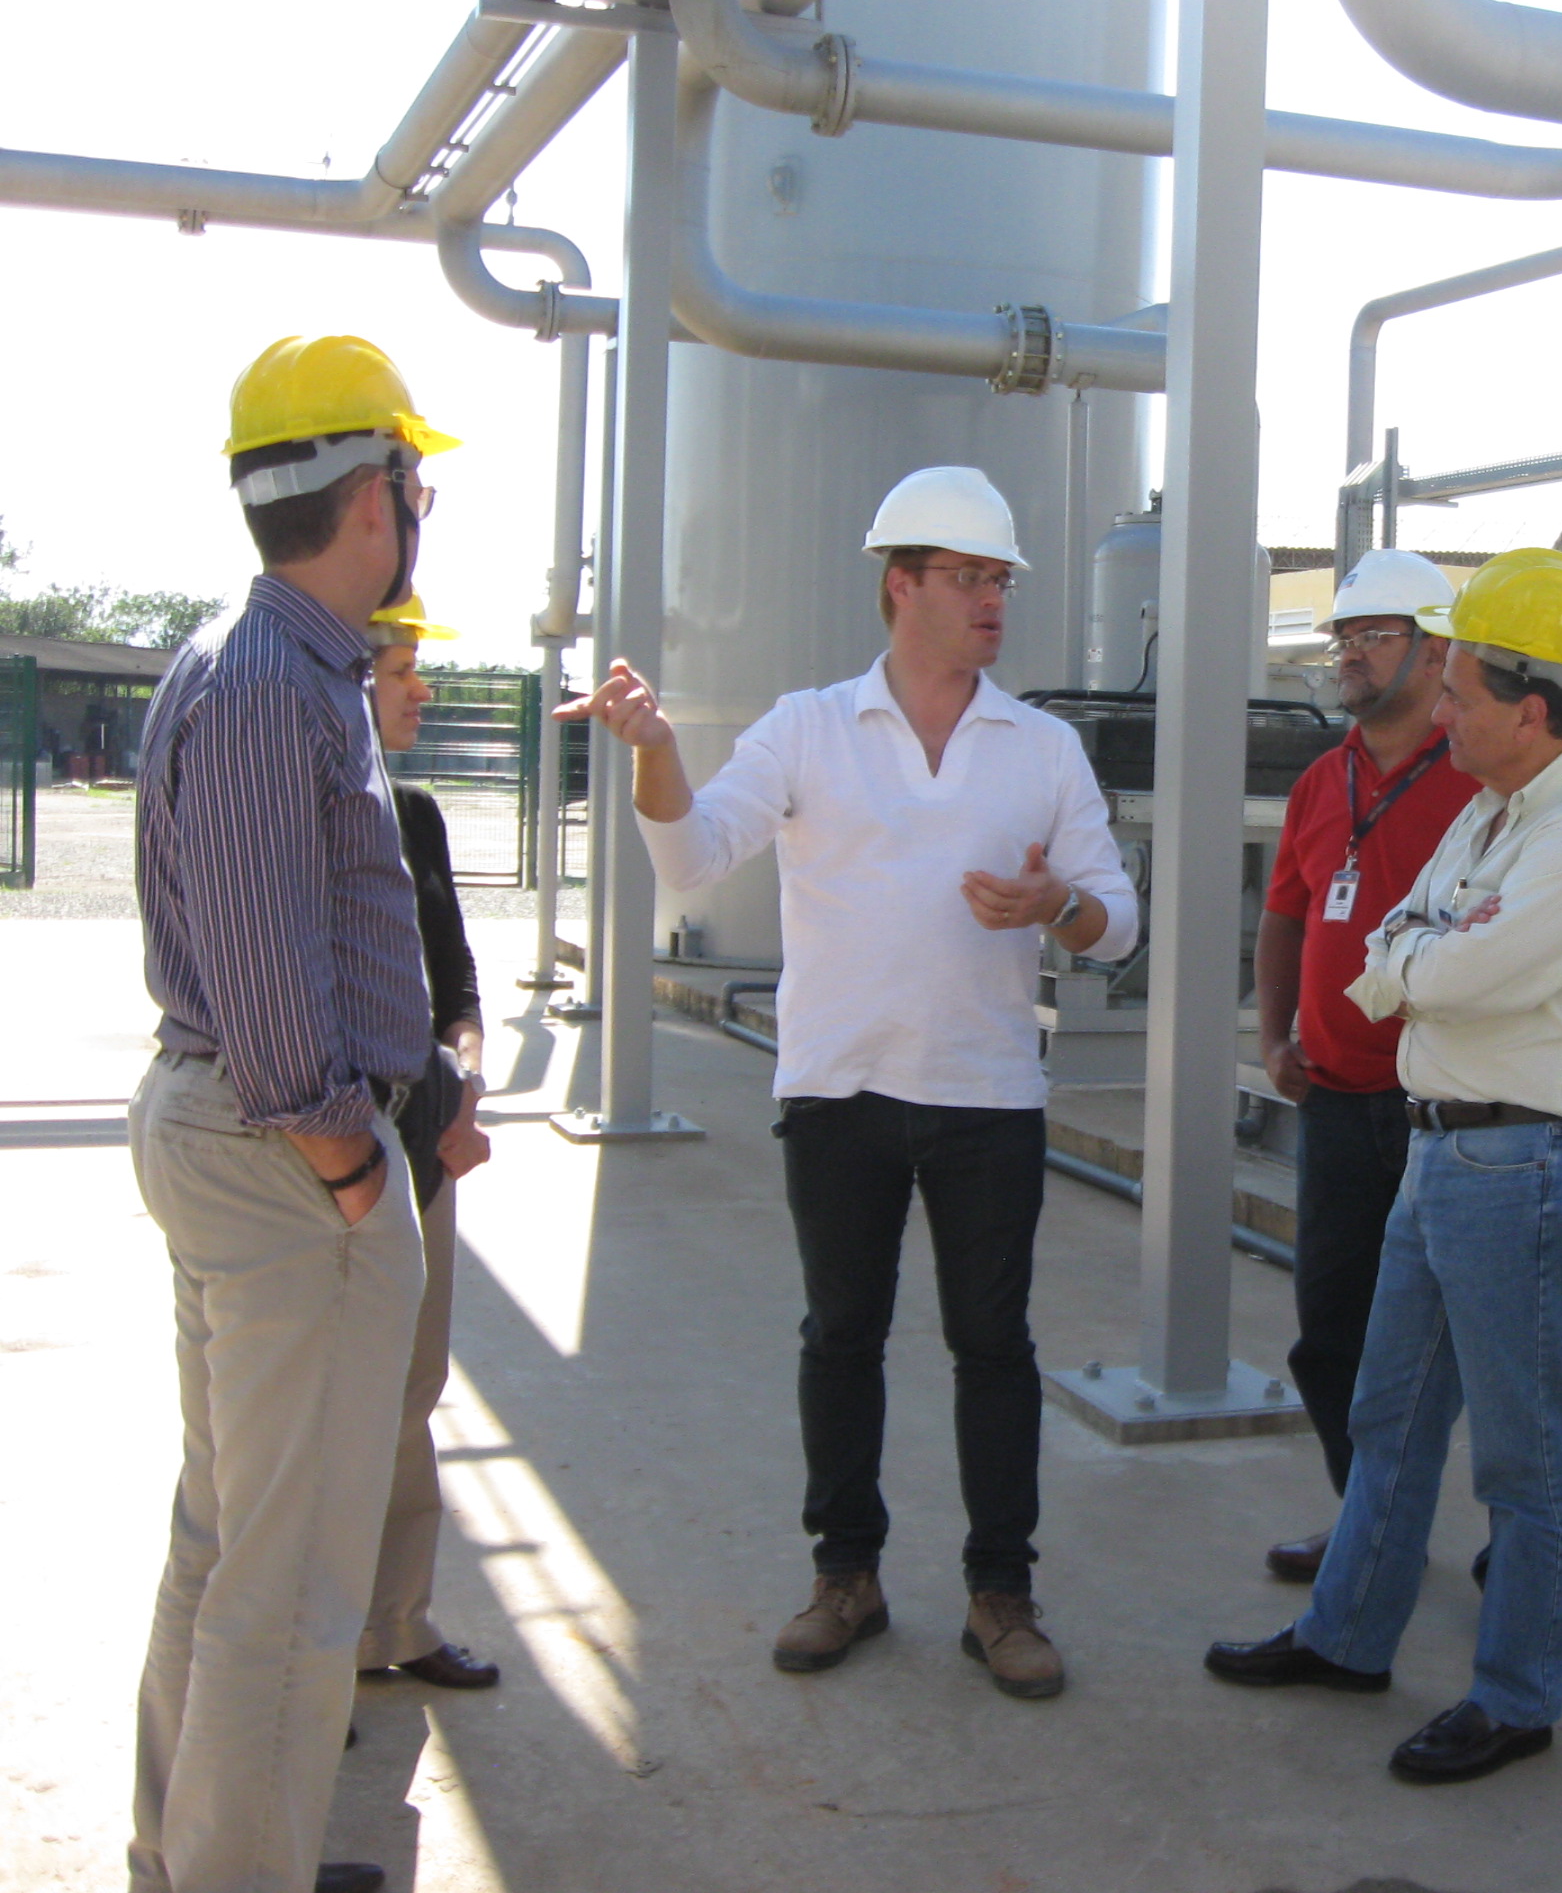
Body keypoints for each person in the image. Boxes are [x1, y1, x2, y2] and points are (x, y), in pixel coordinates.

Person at [557, 465, 1137, 1703]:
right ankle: (847, 1577)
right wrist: (658, 751)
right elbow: (698, 847)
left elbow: (1120, 923)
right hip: (839, 1093)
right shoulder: (808, 727)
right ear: (901, 586)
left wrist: (1061, 907)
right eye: (971, 578)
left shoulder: (1042, 749)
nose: (994, 600)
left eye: (1002, 580)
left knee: (994, 1348)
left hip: (987, 1097)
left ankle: (1001, 1594)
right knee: (841, 1338)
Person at [1206, 548, 1562, 1785]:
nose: (1441, 713)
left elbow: (1442, 972)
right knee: (1388, 1416)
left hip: (1524, 1159)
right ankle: (1349, 1635)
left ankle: (1516, 1696)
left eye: (1459, 692)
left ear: (1529, 706)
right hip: (1445, 1145)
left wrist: (1419, 959)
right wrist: (1423, 952)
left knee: (1523, 1453)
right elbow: (1417, 936)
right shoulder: (1488, 810)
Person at [127, 335, 452, 1893]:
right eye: (415, 476)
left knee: (225, 1545)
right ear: (371, 493)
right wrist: (347, 1170)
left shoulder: (254, 663)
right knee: (294, 1584)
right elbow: (270, 1003)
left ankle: (193, 1855)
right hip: (281, 1162)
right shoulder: (272, 686)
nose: (423, 501)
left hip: (241, 1152)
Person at [1255, 549, 1482, 1583]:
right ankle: (1371, 1527)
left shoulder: (1481, 781)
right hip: (1340, 1110)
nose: (1347, 655)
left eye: (1371, 636)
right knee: (1329, 1337)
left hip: (1450, 1111)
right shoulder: (1319, 781)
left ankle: (1513, 1544)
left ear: (1437, 654)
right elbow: (1286, 916)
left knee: (1476, 1345)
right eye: (1342, 638)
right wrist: (1275, 1034)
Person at [355, 591, 500, 1695]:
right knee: (313, 1416)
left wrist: (465, 1078)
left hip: (423, 1149)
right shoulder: (301, 806)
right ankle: (309, 1666)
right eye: (404, 667)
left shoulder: (417, 815)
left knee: (411, 1390)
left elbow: (456, 978)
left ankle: (395, 1623)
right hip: (330, 1162)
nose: (424, 686)